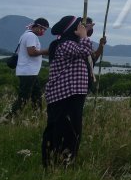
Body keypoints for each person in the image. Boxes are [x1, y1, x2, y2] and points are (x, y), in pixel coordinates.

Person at [42, 16, 93, 168]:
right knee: (63, 129)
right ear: (72, 29)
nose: (82, 28)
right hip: (64, 95)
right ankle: (57, 161)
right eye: (79, 26)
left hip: (70, 94)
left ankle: (65, 160)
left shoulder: (69, 43)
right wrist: (84, 36)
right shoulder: (66, 44)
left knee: (70, 129)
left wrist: (85, 34)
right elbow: (85, 51)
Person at [10, 17, 50, 116]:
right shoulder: (31, 36)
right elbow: (31, 52)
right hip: (28, 71)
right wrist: (46, 51)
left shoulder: (26, 34)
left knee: (36, 95)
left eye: (45, 30)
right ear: (37, 26)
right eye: (43, 29)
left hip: (31, 72)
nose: (43, 32)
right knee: (24, 97)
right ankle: (10, 116)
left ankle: (37, 114)